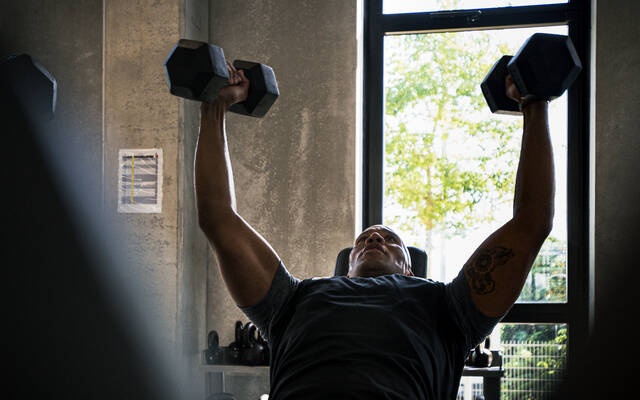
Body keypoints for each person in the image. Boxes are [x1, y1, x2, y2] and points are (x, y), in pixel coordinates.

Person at [195, 62, 554, 399]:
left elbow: (531, 222)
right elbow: (218, 218)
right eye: (363, 239)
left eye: (390, 240)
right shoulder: (294, 300)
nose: (374, 238)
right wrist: (214, 107)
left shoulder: (447, 306)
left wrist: (534, 103)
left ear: (409, 268)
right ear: (347, 263)